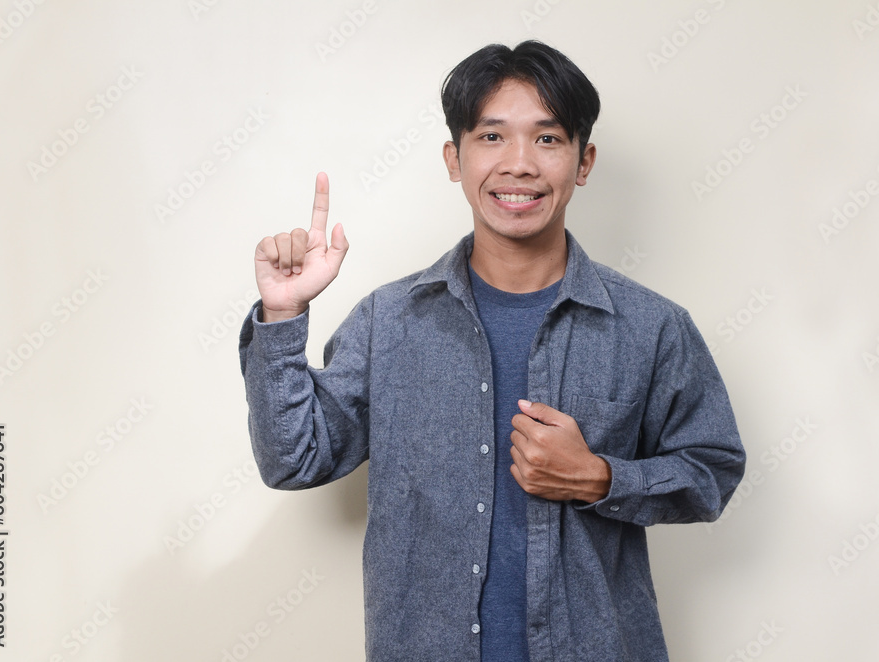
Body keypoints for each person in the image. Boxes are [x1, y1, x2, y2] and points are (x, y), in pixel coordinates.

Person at [238, 40, 745, 662]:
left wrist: (600, 477)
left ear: (583, 161)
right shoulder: (389, 321)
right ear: (455, 158)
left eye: (548, 139)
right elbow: (294, 459)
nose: (520, 164)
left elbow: (711, 469)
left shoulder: (651, 326)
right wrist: (284, 313)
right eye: (492, 137)